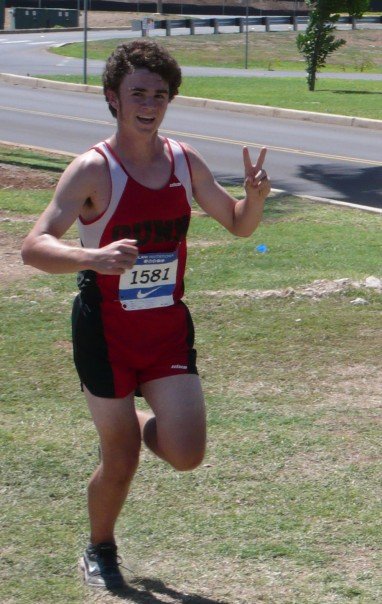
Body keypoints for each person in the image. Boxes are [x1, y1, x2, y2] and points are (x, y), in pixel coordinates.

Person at [21, 39, 271, 590]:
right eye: (138, 93)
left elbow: (238, 224)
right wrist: (94, 257)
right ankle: (100, 547)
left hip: (164, 331)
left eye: (160, 95)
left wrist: (252, 199)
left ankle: (130, 423)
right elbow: (33, 247)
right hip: (106, 331)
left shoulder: (184, 161)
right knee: (122, 463)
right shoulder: (92, 169)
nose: (150, 104)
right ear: (113, 97)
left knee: (186, 454)